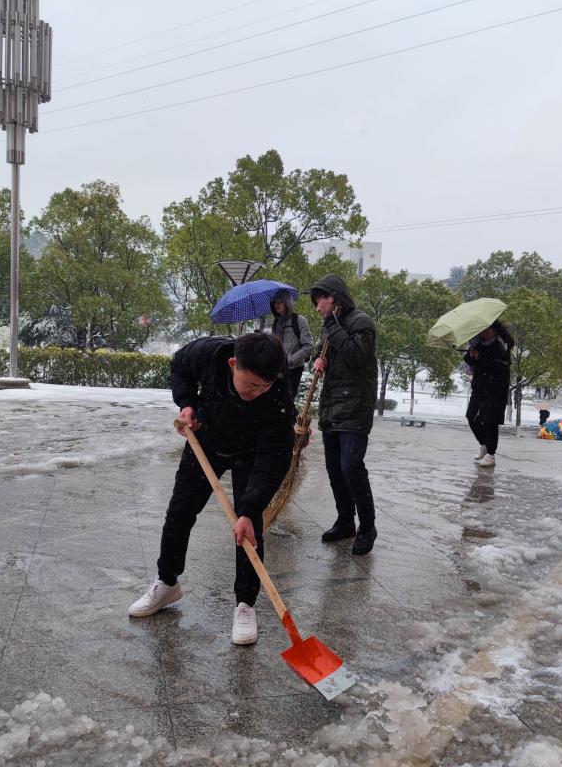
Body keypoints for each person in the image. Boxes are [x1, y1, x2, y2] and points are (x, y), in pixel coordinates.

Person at [129, 333, 294, 646]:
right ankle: (167, 582)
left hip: (252, 452)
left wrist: (249, 509)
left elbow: (276, 454)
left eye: (264, 387)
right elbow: (178, 367)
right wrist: (187, 403)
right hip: (206, 441)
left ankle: (245, 604)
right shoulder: (207, 354)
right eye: (250, 385)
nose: (257, 392)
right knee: (180, 511)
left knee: (248, 527)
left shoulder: (278, 393)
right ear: (233, 364)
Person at [309, 275, 379, 556]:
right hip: (332, 406)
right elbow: (324, 353)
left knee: (351, 467)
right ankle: (345, 520)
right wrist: (318, 361)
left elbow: (355, 355)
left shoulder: (362, 323)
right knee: (335, 469)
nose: (317, 308)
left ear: (333, 298)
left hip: (355, 407)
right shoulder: (329, 327)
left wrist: (333, 327)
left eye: (319, 301)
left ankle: (368, 527)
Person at [464, 320, 513, 468]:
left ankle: (491, 455)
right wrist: (471, 355)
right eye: (482, 330)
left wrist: (479, 357)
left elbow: (496, 367)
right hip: (479, 388)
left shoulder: (500, 348)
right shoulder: (478, 345)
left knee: (490, 422)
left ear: (495, 330)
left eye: (488, 330)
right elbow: (469, 360)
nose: (484, 333)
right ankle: (484, 445)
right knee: (471, 417)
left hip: (495, 391)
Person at [269, 288, 314, 397]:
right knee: (275, 401)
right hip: (277, 371)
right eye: (275, 302)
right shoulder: (276, 323)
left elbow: (308, 347)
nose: (276, 305)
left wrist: (290, 361)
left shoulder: (299, 320)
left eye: (280, 301)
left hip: (293, 370)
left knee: (288, 400)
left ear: (287, 302)